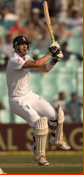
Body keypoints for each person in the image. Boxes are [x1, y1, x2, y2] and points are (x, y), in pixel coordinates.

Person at [6, 35, 70, 166]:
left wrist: (55, 60)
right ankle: (39, 155)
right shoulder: (14, 60)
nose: (24, 46)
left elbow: (44, 69)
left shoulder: (27, 58)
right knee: (40, 125)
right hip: (17, 100)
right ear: (15, 46)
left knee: (56, 116)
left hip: (29, 95)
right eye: (21, 44)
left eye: (26, 44)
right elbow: (37, 63)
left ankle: (55, 138)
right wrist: (51, 53)